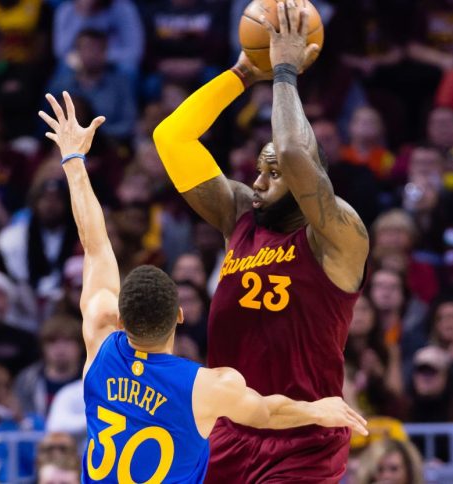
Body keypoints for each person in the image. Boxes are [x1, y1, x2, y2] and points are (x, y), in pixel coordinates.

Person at [38, 91, 367, 482]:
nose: (259, 182)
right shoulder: (201, 386)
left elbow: (94, 245)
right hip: (257, 430)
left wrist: (73, 161)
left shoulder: (100, 351)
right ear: (180, 316)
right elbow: (267, 411)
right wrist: (317, 410)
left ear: (119, 318)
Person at [152, 2, 370, 479]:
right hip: (230, 431)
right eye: (257, 169)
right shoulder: (239, 217)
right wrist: (243, 71)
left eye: (272, 172)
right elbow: (172, 138)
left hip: (306, 435)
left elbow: (293, 150)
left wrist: (286, 71)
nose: (258, 180)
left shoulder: (337, 234)